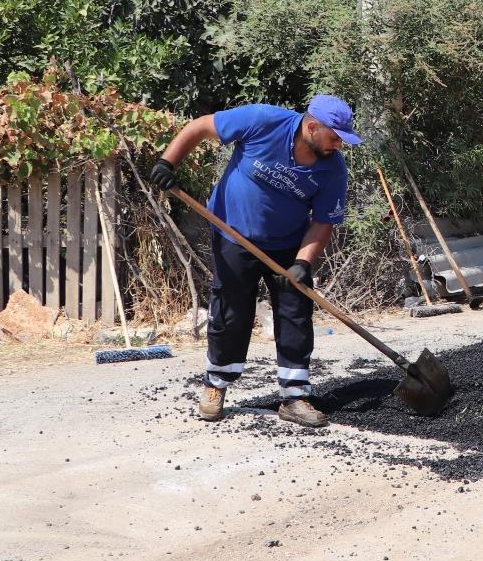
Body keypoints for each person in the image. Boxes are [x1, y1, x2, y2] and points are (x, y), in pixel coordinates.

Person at [149, 95, 361, 427]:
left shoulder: (333, 169)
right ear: (312, 127)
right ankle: (216, 385)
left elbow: (323, 221)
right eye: (335, 137)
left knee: (295, 311)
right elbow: (200, 126)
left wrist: (303, 263)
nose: (339, 145)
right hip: (233, 232)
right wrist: (167, 163)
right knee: (231, 311)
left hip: (289, 243)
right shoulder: (263, 121)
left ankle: (294, 396)